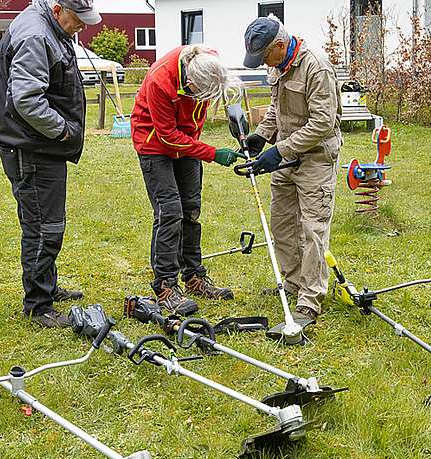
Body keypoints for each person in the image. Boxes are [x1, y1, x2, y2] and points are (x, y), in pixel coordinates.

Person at [0, 0, 100, 328]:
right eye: (78, 19)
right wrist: (62, 130)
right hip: (31, 147)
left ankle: (46, 286)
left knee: (46, 222)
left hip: (38, 145)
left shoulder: (48, 26)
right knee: (43, 227)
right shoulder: (36, 36)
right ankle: (38, 305)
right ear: (57, 9)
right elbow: (26, 100)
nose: (83, 27)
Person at [241, 15, 342, 325]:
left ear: (280, 45)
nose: (263, 63)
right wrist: (262, 135)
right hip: (286, 155)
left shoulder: (316, 67)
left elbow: (323, 123)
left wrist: (280, 150)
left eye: (264, 56)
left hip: (316, 158)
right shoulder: (278, 67)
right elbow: (276, 108)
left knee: (313, 230)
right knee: (282, 225)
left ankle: (310, 299)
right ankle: (293, 282)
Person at [131, 45, 245, 315]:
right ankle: (165, 286)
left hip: (188, 142)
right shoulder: (160, 80)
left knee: (191, 209)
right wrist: (212, 153)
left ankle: (194, 277)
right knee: (170, 212)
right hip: (154, 144)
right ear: (190, 81)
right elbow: (168, 136)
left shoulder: (209, 62)